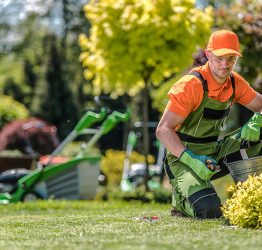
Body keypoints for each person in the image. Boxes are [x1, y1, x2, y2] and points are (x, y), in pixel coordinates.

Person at [156, 29, 262, 219]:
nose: (225, 64)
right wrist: (191, 159)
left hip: (214, 152)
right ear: (208, 55)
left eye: (231, 58)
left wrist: (258, 119)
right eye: (220, 58)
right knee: (210, 210)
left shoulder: (235, 83)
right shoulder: (190, 86)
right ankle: (180, 203)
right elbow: (163, 130)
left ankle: (250, 197)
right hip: (182, 158)